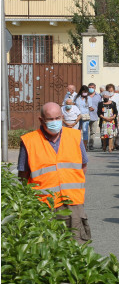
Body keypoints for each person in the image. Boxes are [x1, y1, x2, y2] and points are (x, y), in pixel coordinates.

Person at [17, 102, 91, 243]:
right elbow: (23, 176)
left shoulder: (74, 136)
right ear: (41, 120)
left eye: (57, 118)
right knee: (45, 248)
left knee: (77, 247)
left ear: (62, 117)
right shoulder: (29, 141)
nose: (55, 122)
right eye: (50, 119)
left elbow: (83, 166)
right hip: (43, 205)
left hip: (73, 203)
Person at [86, 82, 102, 150]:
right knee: (85, 131)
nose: (91, 89)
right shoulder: (85, 95)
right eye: (90, 87)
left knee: (93, 132)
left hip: (95, 116)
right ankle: (85, 145)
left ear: (95, 88)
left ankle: (91, 144)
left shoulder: (98, 96)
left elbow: (100, 106)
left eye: (92, 87)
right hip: (85, 116)